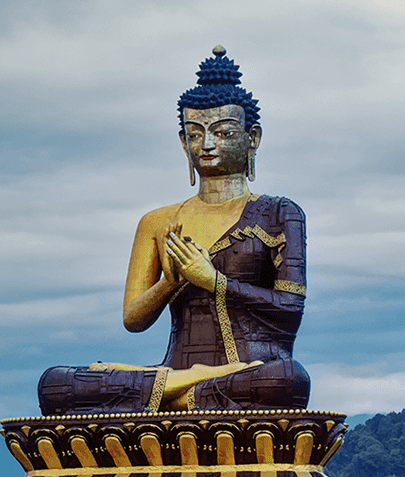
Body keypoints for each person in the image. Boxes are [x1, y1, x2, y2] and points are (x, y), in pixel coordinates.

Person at [37, 49, 309, 416]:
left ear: (253, 138)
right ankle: (185, 386)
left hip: (251, 371)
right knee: (55, 384)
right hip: (179, 370)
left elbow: (290, 309)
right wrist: (169, 282)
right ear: (183, 142)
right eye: (195, 134)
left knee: (287, 380)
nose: (208, 145)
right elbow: (133, 320)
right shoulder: (158, 221)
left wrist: (214, 281)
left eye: (224, 132)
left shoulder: (280, 213)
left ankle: (161, 398)